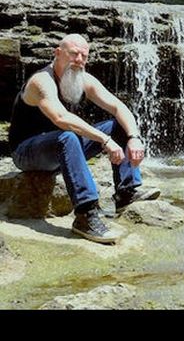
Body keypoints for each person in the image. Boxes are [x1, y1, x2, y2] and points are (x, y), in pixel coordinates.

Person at [8, 34, 160, 244]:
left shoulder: (83, 79)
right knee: (68, 136)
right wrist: (105, 140)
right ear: (58, 53)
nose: (79, 60)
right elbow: (61, 118)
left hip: (63, 147)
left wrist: (134, 137)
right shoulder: (41, 81)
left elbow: (119, 107)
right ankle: (85, 214)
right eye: (73, 54)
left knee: (119, 125)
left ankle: (126, 193)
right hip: (27, 152)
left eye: (84, 56)